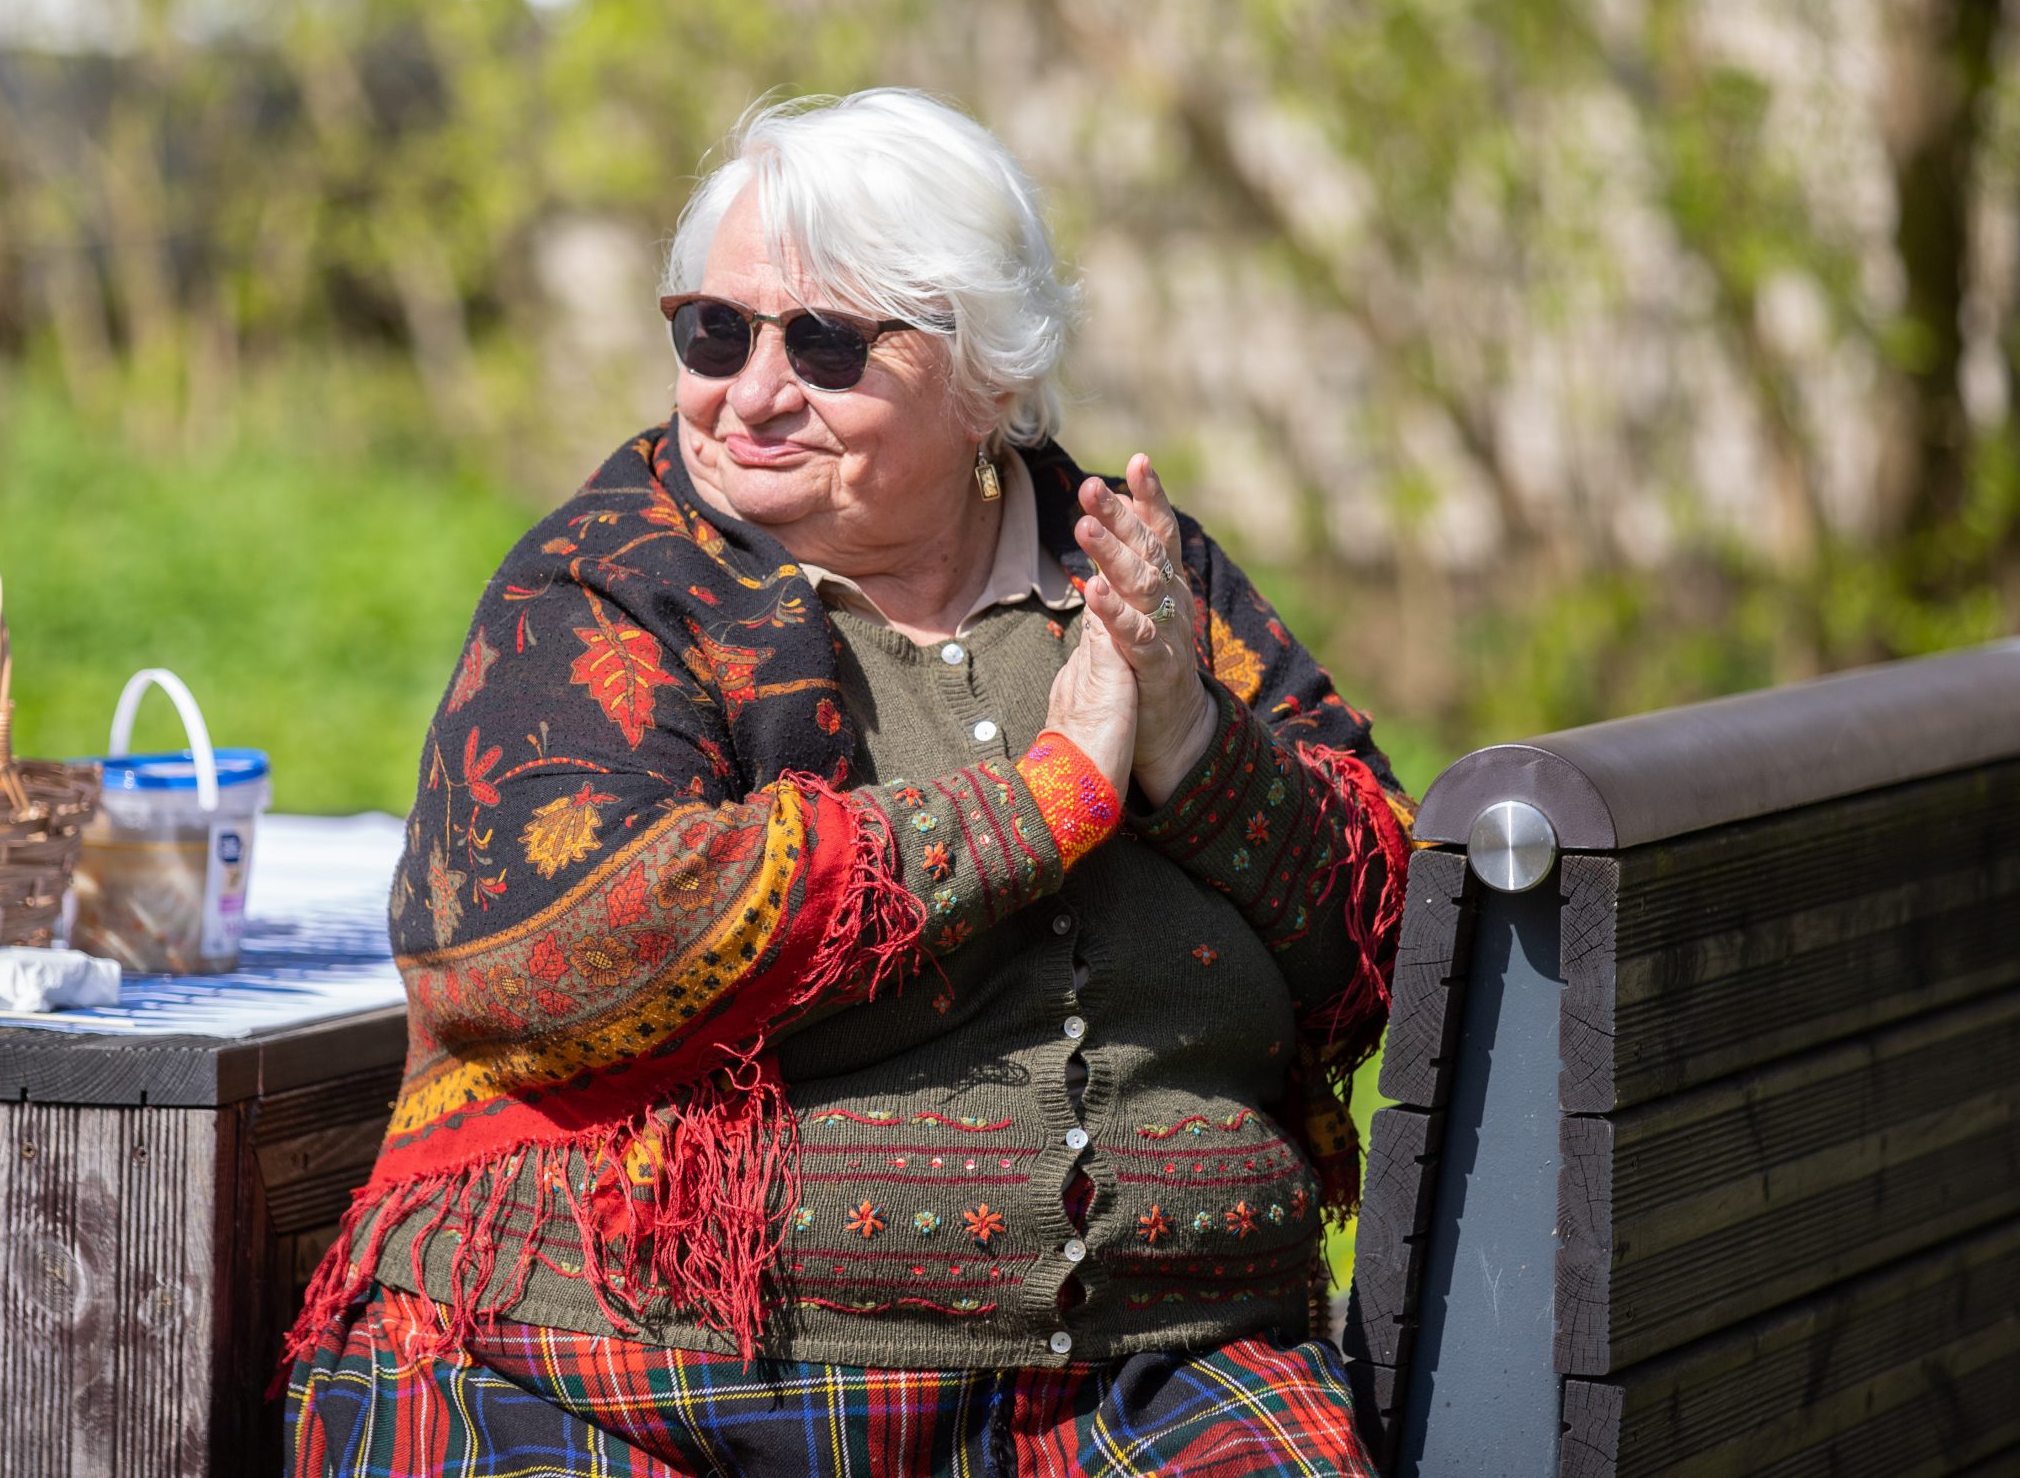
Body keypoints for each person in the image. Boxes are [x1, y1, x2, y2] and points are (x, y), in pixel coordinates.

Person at [283, 89, 1411, 1475]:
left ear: (987, 371)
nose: (753, 393)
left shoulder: (1131, 575)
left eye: (824, 343)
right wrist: (1047, 796)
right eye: (716, 331)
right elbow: (557, 945)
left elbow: (1389, 941)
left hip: (1158, 1370)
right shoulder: (607, 587)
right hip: (627, 1367)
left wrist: (1190, 740)